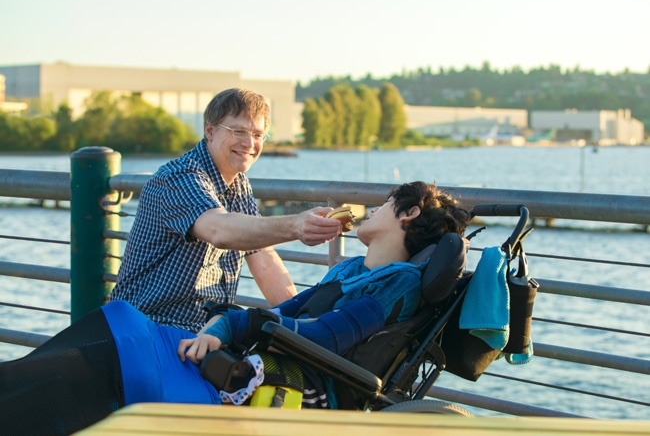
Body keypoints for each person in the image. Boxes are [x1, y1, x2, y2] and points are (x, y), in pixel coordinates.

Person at [0, 182, 470, 435]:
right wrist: (223, 328)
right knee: (119, 325)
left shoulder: (396, 285)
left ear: (407, 215)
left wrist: (252, 327)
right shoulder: (348, 271)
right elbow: (290, 309)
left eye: (388, 203)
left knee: (102, 366)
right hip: (275, 355)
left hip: (298, 381)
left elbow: (326, 336)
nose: (374, 207)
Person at [110, 88, 343, 333]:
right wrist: (295, 225)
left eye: (258, 134)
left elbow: (263, 258)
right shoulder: (179, 177)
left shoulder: (238, 182)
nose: (250, 143)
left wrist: (305, 324)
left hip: (201, 334)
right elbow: (219, 230)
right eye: (239, 131)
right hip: (148, 329)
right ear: (210, 131)